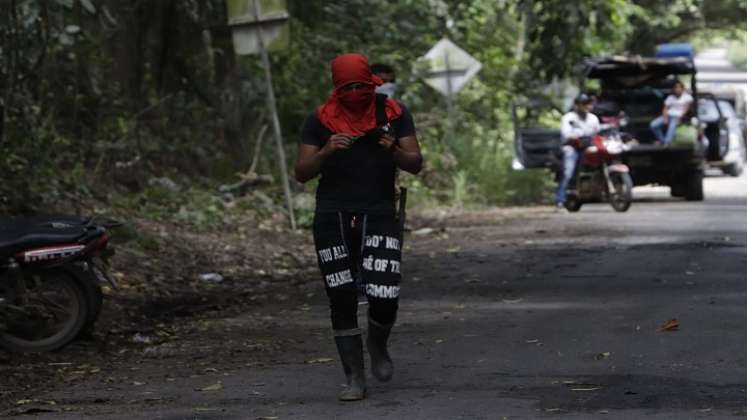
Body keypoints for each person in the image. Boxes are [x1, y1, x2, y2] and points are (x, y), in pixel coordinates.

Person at [295, 53, 422, 401]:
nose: (354, 93)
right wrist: (325, 151)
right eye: (346, 87)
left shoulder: (393, 113)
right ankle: (354, 377)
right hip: (332, 213)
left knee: (385, 293)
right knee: (341, 292)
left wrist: (392, 148)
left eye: (360, 86)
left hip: (380, 209)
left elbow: (415, 164)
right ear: (337, 89)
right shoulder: (319, 119)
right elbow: (302, 172)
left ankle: (377, 343)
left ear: (371, 84)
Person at [556, 93, 600, 210]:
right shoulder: (569, 118)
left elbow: (598, 133)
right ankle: (560, 199)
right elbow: (566, 134)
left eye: (588, 104)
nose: (586, 106)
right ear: (577, 105)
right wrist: (576, 136)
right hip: (572, 147)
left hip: (588, 146)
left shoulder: (593, 118)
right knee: (568, 171)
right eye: (583, 104)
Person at [649, 80, 693, 144]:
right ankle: (662, 140)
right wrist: (665, 118)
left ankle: (667, 143)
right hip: (669, 115)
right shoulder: (671, 97)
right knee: (653, 125)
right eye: (676, 87)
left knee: (672, 126)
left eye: (679, 87)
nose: (677, 89)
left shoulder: (687, 97)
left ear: (682, 88)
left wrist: (681, 118)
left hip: (679, 116)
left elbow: (687, 109)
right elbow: (665, 108)